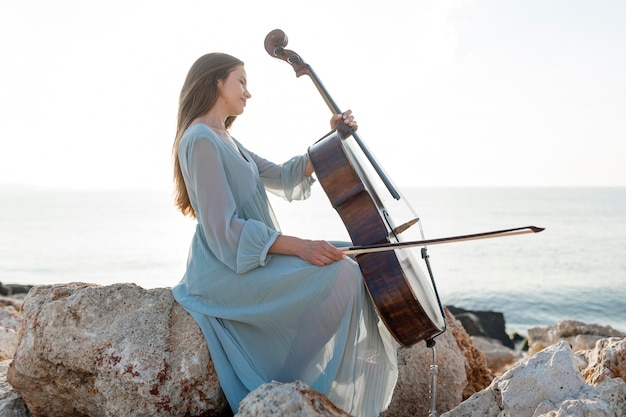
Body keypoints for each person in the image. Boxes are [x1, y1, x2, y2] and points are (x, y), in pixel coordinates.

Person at [171, 52, 398, 417]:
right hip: (223, 269)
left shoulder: (224, 137)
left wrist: (334, 139)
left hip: (249, 255)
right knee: (342, 271)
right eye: (241, 81)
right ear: (216, 81)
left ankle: (290, 377)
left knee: (356, 253)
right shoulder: (199, 140)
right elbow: (222, 228)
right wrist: (301, 247)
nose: (248, 93)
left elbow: (282, 175)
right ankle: (287, 381)